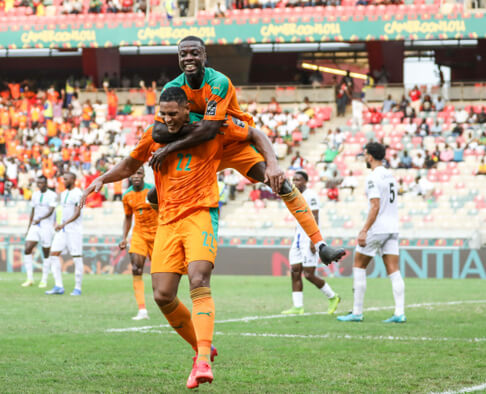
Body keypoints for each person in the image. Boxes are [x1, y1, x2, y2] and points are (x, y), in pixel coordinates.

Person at [80, 87, 267, 389]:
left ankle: (203, 360)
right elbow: (130, 165)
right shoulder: (152, 134)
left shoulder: (214, 128)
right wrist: (101, 179)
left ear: (185, 110)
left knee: (198, 279)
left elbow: (255, 134)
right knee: (163, 295)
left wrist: (271, 164)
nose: (167, 119)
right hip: (166, 219)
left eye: (172, 113)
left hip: (199, 215)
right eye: (162, 114)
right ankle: (201, 348)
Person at [148, 36, 345, 265]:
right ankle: (161, 236)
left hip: (233, 143)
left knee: (281, 184)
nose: (189, 58)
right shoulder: (172, 88)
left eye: (195, 53)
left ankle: (321, 245)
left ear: (204, 56)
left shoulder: (218, 83)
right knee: (154, 194)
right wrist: (198, 126)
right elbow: (158, 132)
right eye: (184, 54)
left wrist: (273, 165)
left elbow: (232, 131)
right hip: (201, 148)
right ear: (178, 58)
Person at [338, 142, 405, 323]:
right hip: (393, 228)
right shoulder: (390, 176)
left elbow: (375, 206)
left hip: (378, 227)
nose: (364, 158)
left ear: (370, 156)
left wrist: (364, 230)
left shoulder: (373, 177)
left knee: (359, 265)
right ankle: (400, 313)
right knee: (394, 270)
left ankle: (357, 312)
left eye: (365, 154)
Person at [281, 171, 340, 316]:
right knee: (295, 271)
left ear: (305, 181)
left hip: (309, 237)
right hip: (298, 238)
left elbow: (315, 216)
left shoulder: (311, 195)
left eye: (299, 180)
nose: (295, 182)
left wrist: (315, 241)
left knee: (308, 274)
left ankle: (333, 297)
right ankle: (298, 306)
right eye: (294, 179)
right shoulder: (295, 195)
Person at [119, 167, 158, 320]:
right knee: (136, 268)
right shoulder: (127, 195)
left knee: (159, 273)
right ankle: (142, 310)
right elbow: (128, 217)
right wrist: (124, 237)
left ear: (143, 175)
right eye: (133, 173)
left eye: (139, 173)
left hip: (157, 234)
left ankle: (165, 303)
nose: (136, 176)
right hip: (139, 234)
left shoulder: (152, 191)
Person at [46, 173, 84, 296]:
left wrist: (64, 223)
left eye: (66, 179)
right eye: (63, 179)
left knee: (77, 258)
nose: (64, 181)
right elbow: (62, 211)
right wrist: (58, 223)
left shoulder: (78, 194)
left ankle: (78, 287)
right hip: (63, 230)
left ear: (73, 180)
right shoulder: (63, 194)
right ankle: (58, 286)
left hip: (74, 230)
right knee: (53, 254)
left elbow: (77, 213)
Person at [21, 176, 57, 288]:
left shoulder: (52, 195)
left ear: (46, 183)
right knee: (27, 248)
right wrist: (28, 227)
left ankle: (44, 279)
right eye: (38, 183)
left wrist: (40, 218)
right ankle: (29, 278)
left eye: (41, 183)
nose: (39, 185)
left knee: (45, 252)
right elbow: (33, 210)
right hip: (35, 225)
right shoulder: (35, 195)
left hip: (46, 226)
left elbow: (51, 211)